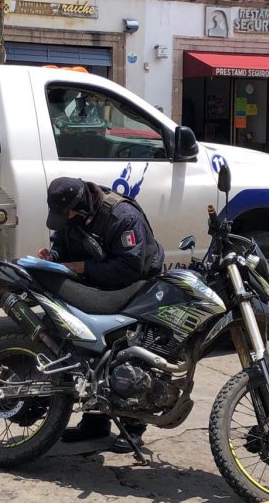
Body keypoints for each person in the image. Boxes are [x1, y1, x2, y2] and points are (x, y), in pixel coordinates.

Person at [38, 176, 165, 452]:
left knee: (127, 349)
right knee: (89, 349)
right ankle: (95, 423)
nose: (66, 219)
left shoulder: (121, 216)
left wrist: (81, 267)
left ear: (80, 205)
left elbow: (130, 266)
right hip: (98, 280)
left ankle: (133, 427)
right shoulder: (70, 215)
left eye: (68, 214)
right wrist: (53, 257)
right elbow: (62, 244)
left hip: (136, 283)